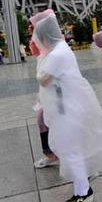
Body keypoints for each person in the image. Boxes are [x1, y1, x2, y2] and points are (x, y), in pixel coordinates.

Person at [32, 12, 102, 202]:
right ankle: (86, 175)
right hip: (69, 104)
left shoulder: (56, 54)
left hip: (66, 108)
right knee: (74, 146)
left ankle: (83, 191)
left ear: (46, 37)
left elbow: (43, 79)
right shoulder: (61, 47)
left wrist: (39, 67)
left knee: (70, 149)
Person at [29, 9, 59, 169]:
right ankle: (51, 153)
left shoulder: (55, 49)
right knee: (43, 119)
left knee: (44, 119)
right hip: (48, 93)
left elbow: (46, 77)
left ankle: (52, 153)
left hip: (55, 93)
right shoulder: (46, 46)